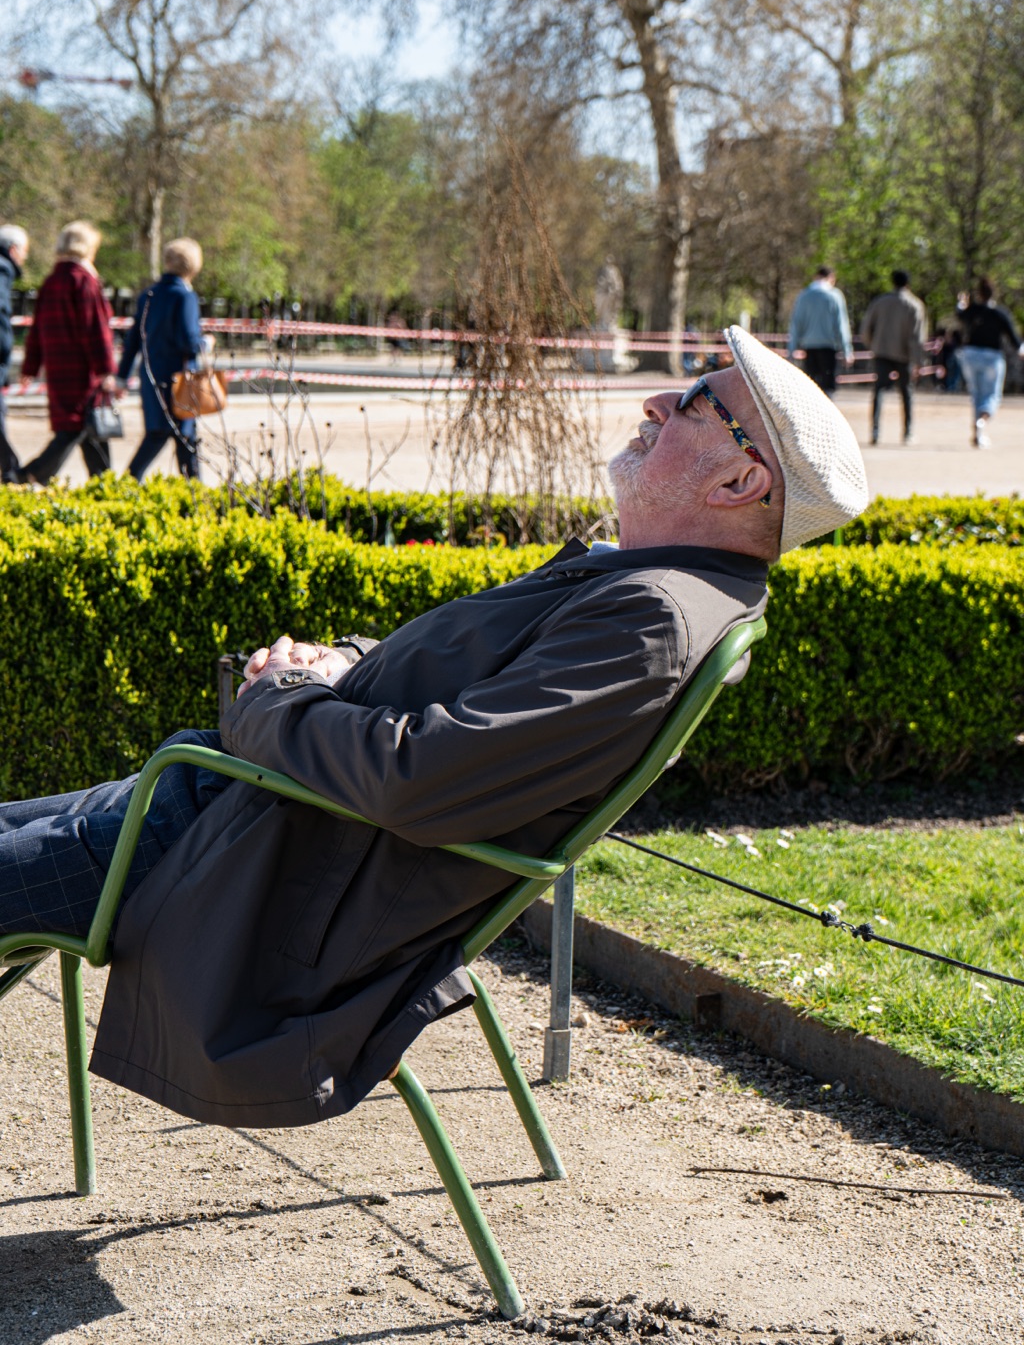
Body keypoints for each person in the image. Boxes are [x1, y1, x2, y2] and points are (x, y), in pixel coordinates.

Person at [0, 329, 868, 1128]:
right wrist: (337, 665)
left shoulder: (652, 619)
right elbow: (460, 695)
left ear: (739, 482)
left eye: (693, 403)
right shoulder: (652, 586)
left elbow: (423, 777)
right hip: (236, 813)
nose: (655, 404)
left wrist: (276, 700)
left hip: (240, 859)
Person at [19, 221, 118, 484]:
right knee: (77, 425)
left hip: (57, 367)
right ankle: (33, 473)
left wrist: (30, 367)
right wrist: (106, 370)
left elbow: (37, 329)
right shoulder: (84, 281)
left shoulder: (51, 281)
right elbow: (95, 329)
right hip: (82, 370)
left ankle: (103, 480)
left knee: (85, 427)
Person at [116, 237, 206, 480]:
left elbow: (133, 340)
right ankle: (194, 495)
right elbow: (189, 341)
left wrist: (122, 377)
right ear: (194, 266)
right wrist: (206, 343)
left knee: (169, 435)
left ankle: (132, 483)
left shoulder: (148, 295)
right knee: (181, 436)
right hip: (181, 378)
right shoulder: (185, 296)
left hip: (152, 376)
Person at [955, 278, 1024, 448]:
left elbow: (959, 314)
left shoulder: (972, 310)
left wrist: (961, 302)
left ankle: (977, 433)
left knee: (976, 394)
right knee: (991, 395)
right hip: (992, 357)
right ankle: (982, 421)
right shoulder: (999, 313)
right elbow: (1013, 337)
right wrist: (1021, 351)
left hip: (970, 355)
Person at [861, 269, 927, 445]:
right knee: (906, 393)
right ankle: (908, 432)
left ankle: (874, 431)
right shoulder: (914, 305)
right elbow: (917, 337)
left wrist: (873, 345)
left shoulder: (880, 302)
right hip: (904, 355)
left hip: (881, 352)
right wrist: (918, 361)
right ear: (908, 283)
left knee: (879, 391)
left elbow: (866, 328)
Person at [787, 265, 853, 397]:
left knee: (811, 386)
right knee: (828, 387)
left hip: (809, 347)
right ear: (831, 278)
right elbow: (842, 324)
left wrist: (791, 349)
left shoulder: (804, 296)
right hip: (829, 347)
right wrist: (847, 350)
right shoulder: (835, 296)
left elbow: (796, 323)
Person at [0, 223, 30, 482]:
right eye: (24, 251)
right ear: (13, 249)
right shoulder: (3, 267)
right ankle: (10, 470)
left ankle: (10, 467)